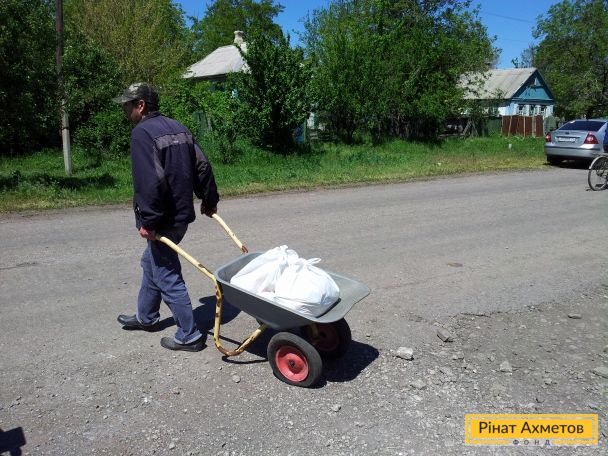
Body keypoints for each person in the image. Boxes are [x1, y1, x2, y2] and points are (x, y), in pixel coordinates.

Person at [112, 83, 219, 352]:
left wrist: (148, 221)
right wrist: (208, 199)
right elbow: (202, 165)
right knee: (151, 262)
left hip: (162, 219)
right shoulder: (179, 127)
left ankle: (189, 335)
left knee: (166, 273)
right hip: (180, 217)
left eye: (127, 104)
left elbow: (150, 181)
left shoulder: (142, 133)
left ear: (140, 105)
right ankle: (146, 317)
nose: (124, 109)